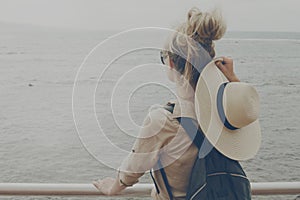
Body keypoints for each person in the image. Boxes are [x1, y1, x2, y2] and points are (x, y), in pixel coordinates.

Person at [93, 7, 243, 199]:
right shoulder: (223, 108)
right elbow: (247, 112)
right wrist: (232, 81)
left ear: (171, 63)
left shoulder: (164, 119)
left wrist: (114, 186)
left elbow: (135, 167)